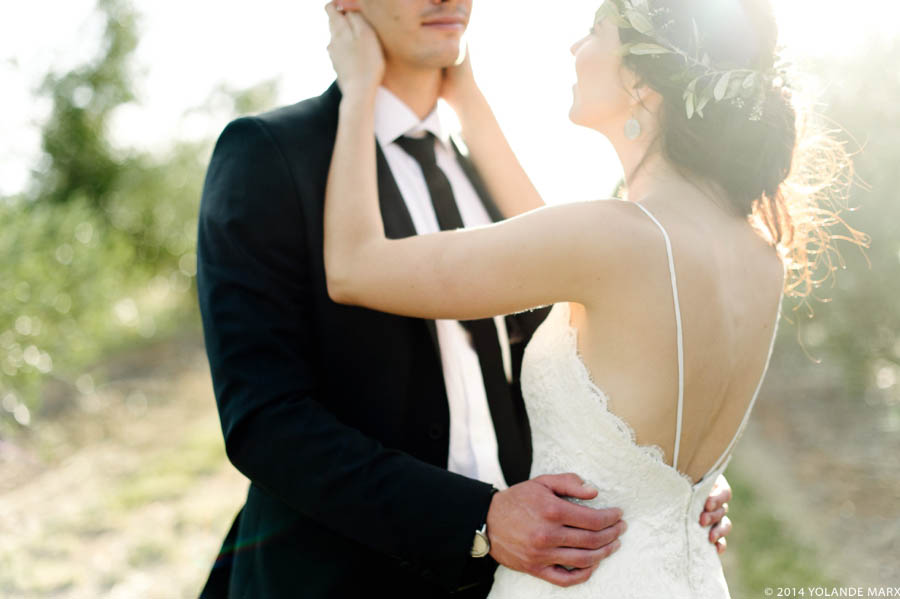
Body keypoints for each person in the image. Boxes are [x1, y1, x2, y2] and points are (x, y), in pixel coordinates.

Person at [321, 0, 860, 596]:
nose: (574, 48)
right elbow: (546, 240)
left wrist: (357, 91)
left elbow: (353, 267)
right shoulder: (759, 254)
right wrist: (469, 101)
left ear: (639, 80)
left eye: (595, 32)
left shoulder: (612, 238)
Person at [195, 0, 733, 596]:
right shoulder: (268, 155)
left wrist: (666, 479)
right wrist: (476, 518)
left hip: (514, 583)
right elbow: (264, 421)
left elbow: (581, 361)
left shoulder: (488, 171)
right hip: (337, 578)